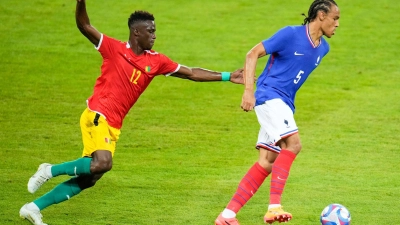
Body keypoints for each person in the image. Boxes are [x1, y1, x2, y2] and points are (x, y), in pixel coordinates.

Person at [19, 1, 245, 225]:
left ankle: (33, 208)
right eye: (151, 31)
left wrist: (227, 76)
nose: (155, 35)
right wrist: (81, 2)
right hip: (98, 114)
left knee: (91, 177)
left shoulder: (156, 61)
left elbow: (191, 72)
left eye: (155, 31)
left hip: (113, 124)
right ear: (136, 32)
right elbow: (84, 25)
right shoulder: (113, 49)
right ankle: (49, 170)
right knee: (103, 163)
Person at [215, 0, 340, 224]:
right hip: (269, 97)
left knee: (267, 161)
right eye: (335, 18)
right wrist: (248, 92)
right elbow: (252, 54)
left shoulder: (323, 48)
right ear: (321, 15)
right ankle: (274, 207)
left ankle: (227, 215)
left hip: (284, 103)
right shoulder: (290, 34)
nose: (338, 24)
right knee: (293, 144)